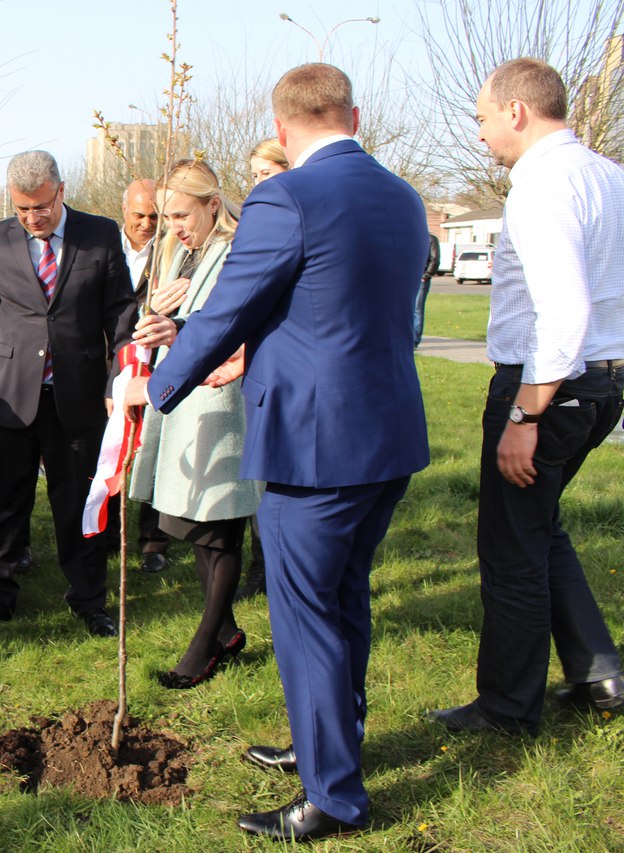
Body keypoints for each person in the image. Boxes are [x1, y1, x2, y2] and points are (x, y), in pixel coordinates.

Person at [125, 64, 428, 841]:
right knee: (344, 601)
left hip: (315, 447)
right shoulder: (401, 196)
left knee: (305, 618)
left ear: (284, 126)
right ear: (353, 114)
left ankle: (334, 795)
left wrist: (152, 391)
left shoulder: (285, 195)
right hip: (387, 434)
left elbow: (228, 308)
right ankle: (330, 747)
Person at [428, 58, 624, 734]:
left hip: (548, 385)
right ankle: (600, 670)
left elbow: (562, 313)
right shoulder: (608, 174)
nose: (480, 134)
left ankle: (508, 707)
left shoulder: (541, 184)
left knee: (512, 547)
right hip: (603, 380)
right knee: (541, 526)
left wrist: (524, 414)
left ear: (516, 111)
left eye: (482, 119)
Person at [0, 150, 136, 638]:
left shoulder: (99, 235)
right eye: (22, 210)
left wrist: (118, 381)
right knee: (4, 503)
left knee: (78, 500)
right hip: (13, 397)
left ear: (60, 191)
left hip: (77, 396)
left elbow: (119, 314)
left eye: (42, 207)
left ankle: (89, 599)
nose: (33, 218)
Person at [126, 160, 261, 689]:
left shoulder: (238, 250)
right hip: (186, 399)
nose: (174, 225)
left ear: (213, 204)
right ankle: (224, 629)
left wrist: (179, 327)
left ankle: (206, 645)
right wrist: (155, 316)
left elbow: (235, 320)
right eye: (166, 215)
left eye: (182, 213)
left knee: (219, 522)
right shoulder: (182, 251)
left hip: (222, 399)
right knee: (193, 524)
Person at [235, 138, 289, 602]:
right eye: (252, 176)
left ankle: (273, 568)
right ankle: (263, 567)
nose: (258, 184)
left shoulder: (282, 220)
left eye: (265, 173)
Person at [118, 177, 170, 574]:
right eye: (139, 215)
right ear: (124, 212)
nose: (147, 223)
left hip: (157, 362)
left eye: (154, 215)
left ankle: (153, 541)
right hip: (109, 360)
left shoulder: (173, 251)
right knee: (111, 448)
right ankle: (104, 533)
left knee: (152, 447)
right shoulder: (103, 245)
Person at [412, 233, 441, 349]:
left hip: (421, 278)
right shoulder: (412, 237)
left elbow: (435, 259)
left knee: (417, 310)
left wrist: (426, 275)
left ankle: (414, 340)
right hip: (409, 278)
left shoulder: (431, 239)